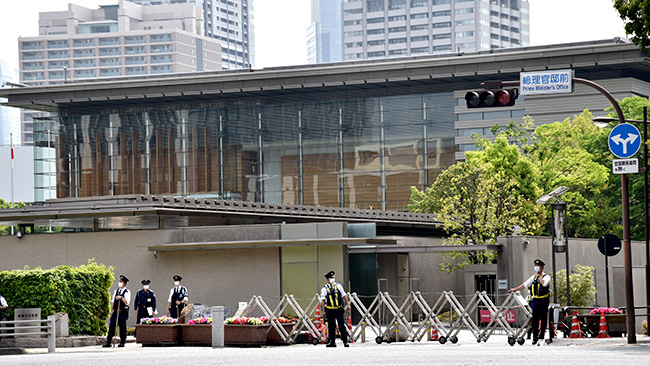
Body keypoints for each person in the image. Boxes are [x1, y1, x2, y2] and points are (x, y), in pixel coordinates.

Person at [509, 259, 551, 345]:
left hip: (543, 300)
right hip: (535, 300)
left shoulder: (546, 277)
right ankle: (535, 337)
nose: (536, 268)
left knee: (543, 318)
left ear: (542, 268)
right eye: (535, 266)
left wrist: (539, 276)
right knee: (534, 318)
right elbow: (525, 285)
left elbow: (544, 284)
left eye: (538, 266)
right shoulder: (533, 277)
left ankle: (542, 336)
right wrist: (515, 289)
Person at [320, 270, 351, 347]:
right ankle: (332, 341)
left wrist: (348, 304)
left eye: (333, 277)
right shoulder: (324, 288)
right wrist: (323, 310)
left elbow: (344, 295)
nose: (332, 279)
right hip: (330, 309)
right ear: (327, 279)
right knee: (331, 326)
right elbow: (323, 300)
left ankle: (345, 341)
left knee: (341, 325)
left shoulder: (338, 286)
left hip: (338, 309)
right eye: (330, 278)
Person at [103, 275, 131, 348]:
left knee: (122, 326)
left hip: (123, 312)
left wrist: (121, 298)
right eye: (119, 281)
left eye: (121, 282)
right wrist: (111, 310)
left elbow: (127, 302)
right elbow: (113, 301)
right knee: (112, 325)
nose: (120, 283)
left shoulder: (127, 292)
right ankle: (108, 341)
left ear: (124, 283)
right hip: (115, 311)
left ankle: (122, 341)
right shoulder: (116, 291)